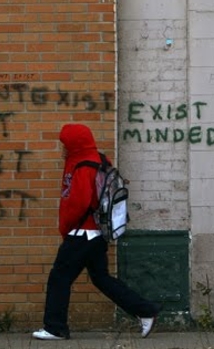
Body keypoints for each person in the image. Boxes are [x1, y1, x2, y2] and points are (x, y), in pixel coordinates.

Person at [32, 123, 161, 340]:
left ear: (74, 144)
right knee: (101, 278)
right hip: (98, 233)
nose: (62, 149)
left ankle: (55, 328)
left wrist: (66, 228)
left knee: (59, 277)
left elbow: (78, 203)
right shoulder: (100, 160)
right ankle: (145, 310)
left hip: (83, 233)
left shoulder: (82, 166)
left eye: (64, 144)